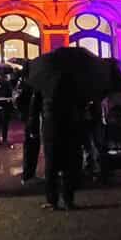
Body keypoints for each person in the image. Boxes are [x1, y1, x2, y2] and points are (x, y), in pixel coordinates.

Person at [39, 81, 89, 210]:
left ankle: (53, 200)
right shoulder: (75, 85)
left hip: (52, 128)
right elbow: (82, 106)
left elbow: (37, 105)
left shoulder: (46, 85)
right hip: (70, 128)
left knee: (52, 166)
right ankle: (68, 200)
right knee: (69, 165)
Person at [18, 83, 42, 182]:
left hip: (32, 118)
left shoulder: (29, 83)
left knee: (32, 146)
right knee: (32, 146)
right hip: (33, 119)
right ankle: (28, 174)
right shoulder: (30, 85)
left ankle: (29, 174)